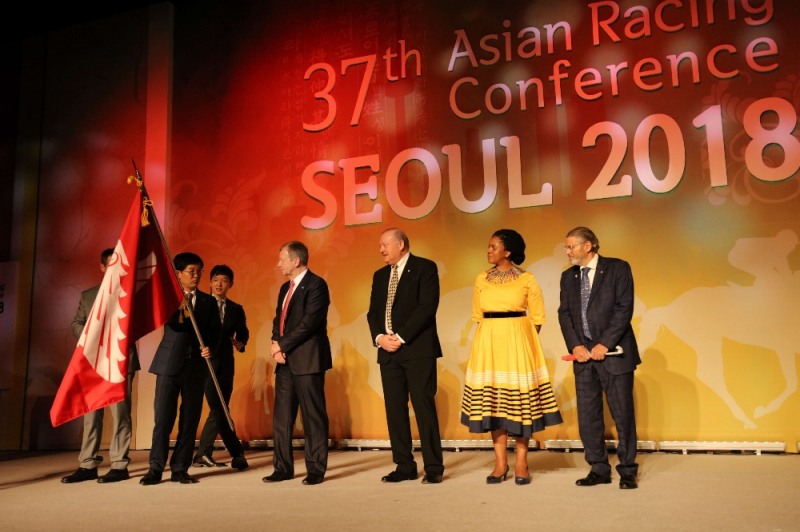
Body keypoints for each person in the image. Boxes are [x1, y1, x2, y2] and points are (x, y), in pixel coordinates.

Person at [460, 229, 563, 485]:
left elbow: (537, 318)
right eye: (488, 246)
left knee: (519, 406)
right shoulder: (481, 278)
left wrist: (521, 342)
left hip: (518, 342)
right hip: (488, 343)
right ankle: (499, 463)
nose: (488, 251)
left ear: (507, 252)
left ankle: (521, 462)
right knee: (494, 404)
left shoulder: (527, 279)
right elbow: (477, 315)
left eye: (493, 247)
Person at [557, 226, 641, 490]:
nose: (567, 251)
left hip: (613, 354)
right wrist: (576, 345)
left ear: (588, 246)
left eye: (571, 246)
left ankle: (627, 470)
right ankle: (598, 468)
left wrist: (605, 343)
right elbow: (565, 315)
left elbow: (623, 308)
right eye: (566, 247)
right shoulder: (567, 277)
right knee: (588, 415)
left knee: (622, 414)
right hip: (584, 358)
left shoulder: (617, 268)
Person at [366, 228, 445, 484]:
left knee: (423, 406)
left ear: (400, 244)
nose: (381, 250)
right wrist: (380, 338)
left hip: (417, 350)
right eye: (380, 246)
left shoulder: (424, 268)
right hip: (387, 353)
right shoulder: (379, 276)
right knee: (394, 410)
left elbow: (427, 308)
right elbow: (372, 313)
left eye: (384, 245)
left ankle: (433, 467)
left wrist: (399, 337)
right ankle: (404, 465)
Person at [140, 252, 221, 485]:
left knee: (189, 419)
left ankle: (180, 468)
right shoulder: (169, 298)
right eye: (191, 272)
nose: (196, 276)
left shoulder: (208, 301)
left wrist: (210, 349)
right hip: (168, 365)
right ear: (179, 273)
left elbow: (215, 333)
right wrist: (180, 302)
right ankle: (155, 468)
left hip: (195, 368)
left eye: (199, 272)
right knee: (163, 419)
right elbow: (175, 324)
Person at [61, 248, 139, 484]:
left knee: (120, 414)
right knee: (91, 415)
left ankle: (119, 464)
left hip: (119, 361)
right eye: (108, 266)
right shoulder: (88, 295)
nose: (112, 270)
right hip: (93, 362)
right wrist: (88, 334)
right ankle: (87, 464)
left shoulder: (130, 294)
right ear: (102, 267)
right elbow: (77, 323)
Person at [262, 241, 331, 486]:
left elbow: (310, 323)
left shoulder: (317, 285)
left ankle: (315, 469)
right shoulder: (284, 288)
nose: (279, 263)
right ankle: (282, 467)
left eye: (282, 259)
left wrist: (282, 345)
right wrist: (275, 342)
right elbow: (278, 319)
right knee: (282, 417)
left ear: (296, 261)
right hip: (285, 361)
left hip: (308, 359)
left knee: (313, 416)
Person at [192, 264, 249, 471]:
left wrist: (240, 342)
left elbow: (243, 332)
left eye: (224, 280)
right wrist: (199, 348)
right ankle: (236, 452)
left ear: (230, 284)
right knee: (219, 408)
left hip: (226, 364)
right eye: (215, 279)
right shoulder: (201, 305)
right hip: (205, 363)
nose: (219, 284)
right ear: (210, 282)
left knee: (220, 409)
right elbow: (192, 332)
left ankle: (203, 454)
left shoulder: (236, 309)